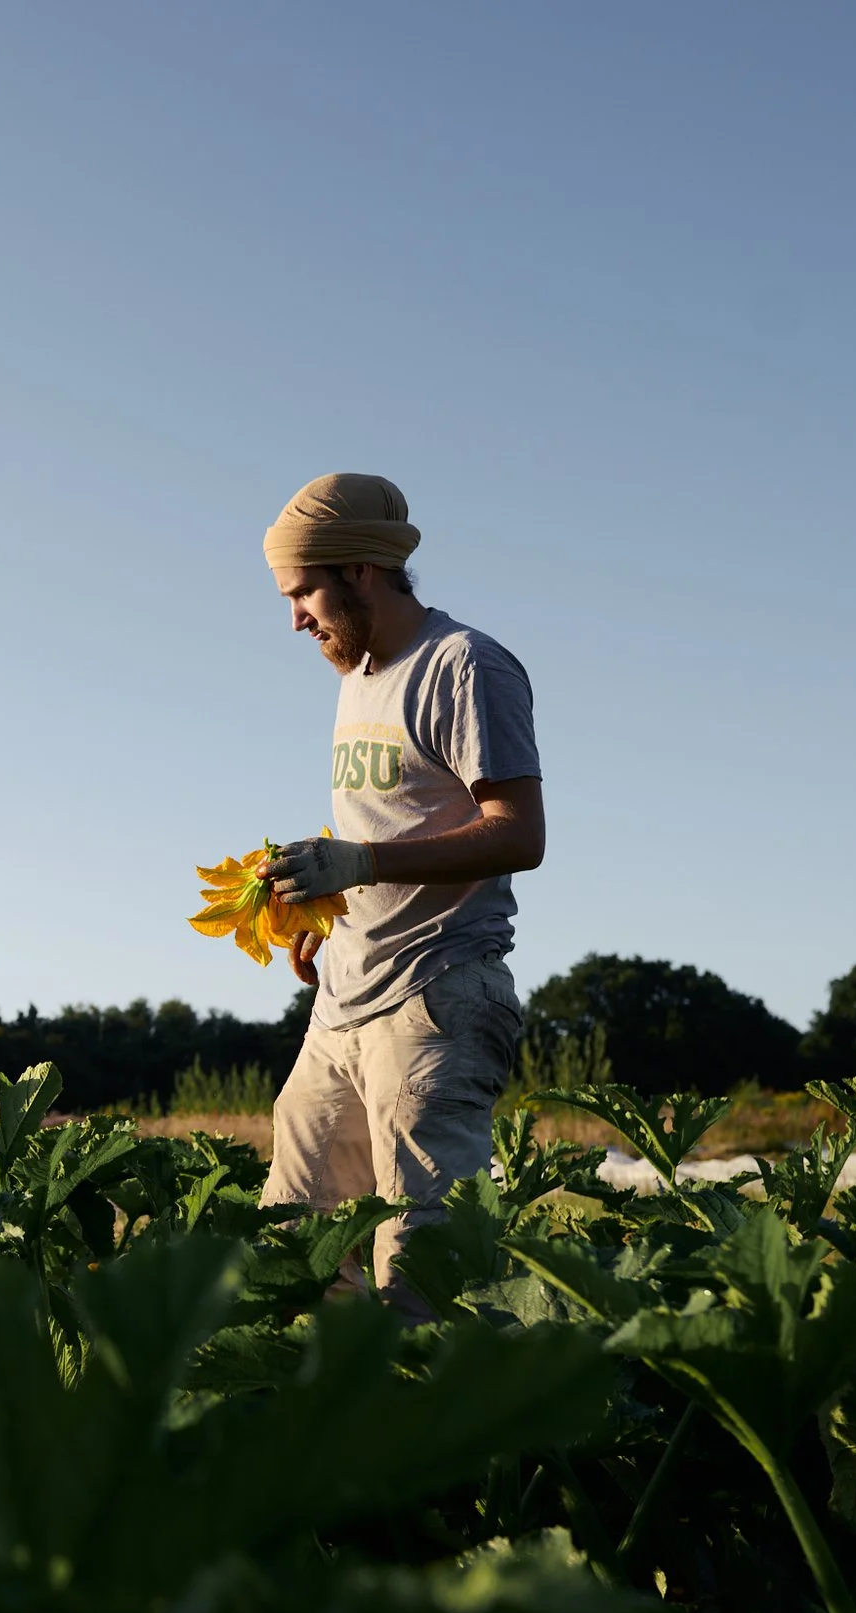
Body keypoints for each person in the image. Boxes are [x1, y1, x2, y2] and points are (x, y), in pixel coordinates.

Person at [252, 472, 543, 1317]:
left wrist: (362, 863)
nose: (295, 618)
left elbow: (519, 833)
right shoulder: (358, 676)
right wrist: (328, 904)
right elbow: (392, 820)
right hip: (343, 1005)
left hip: (435, 998)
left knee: (425, 1279)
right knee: (295, 1258)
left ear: (361, 570)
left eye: (304, 592)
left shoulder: (466, 665)